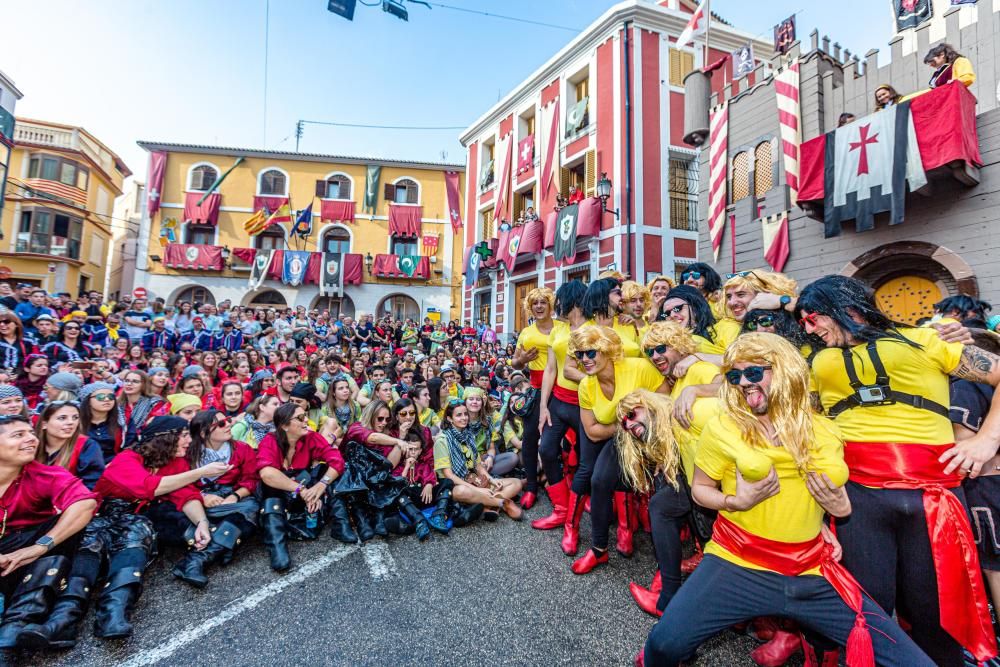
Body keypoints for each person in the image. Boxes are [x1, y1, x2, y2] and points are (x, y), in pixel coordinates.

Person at [640, 333, 934, 667]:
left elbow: (834, 500)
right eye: (735, 377)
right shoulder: (723, 427)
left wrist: (836, 511)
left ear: (784, 370)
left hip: (810, 570)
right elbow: (700, 490)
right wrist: (735, 501)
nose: (744, 383)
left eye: (754, 372)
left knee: (908, 659)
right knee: (663, 645)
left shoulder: (823, 430)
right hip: (737, 562)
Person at [797, 274, 1000, 665]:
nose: (810, 329)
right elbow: (766, 384)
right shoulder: (816, 361)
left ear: (846, 307)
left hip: (934, 498)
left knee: (935, 613)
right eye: (804, 323)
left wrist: (987, 439)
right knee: (866, 611)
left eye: (813, 318)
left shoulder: (927, 340)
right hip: (858, 498)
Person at [569, 325, 667, 573]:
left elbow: (666, 398)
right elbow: (592, 430)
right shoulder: (586, 386)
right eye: (580, 354)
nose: (585, 360)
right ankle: (599, 549)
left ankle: (666, 569)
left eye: (591, 352)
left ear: (606, 349)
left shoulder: (638, 368)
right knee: (599, 481)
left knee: (665, 494)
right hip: (621, 436)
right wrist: (626, 424)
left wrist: (645, 426)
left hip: (655, 435)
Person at [0, 414, 97, 650]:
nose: (31, 439)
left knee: (88, 533)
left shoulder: (43, 473)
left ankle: (16, 626)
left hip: (24, 552)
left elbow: (84, 504)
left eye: (31, 433)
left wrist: (39, 546)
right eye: (18, 435)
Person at [175, 410, 259, 588]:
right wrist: (203, 496)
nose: (229, 424)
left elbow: (251, 479)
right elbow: (180, 483)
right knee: (245, 513)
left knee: (250, 508)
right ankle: (223, 547)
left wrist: (234, 496)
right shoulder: (189, 454)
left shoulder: (242, 449)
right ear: (204, 433)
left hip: (230, 499)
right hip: (198, 501)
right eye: (221, 424)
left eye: (228, 420)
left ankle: (196, 560)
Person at [256, 403, 344, 571]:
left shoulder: (311, 437)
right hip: (277, 491)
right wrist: (302, 490)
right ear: (284, 425)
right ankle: (277, 547)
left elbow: (337, 460)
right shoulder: (270, 441)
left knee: (329, 473)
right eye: (301, 418)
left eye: (306, 416)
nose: (307, 421)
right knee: (271, 488)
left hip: (300, 488)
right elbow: (267, 474)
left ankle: (342, 523)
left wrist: (320, 485)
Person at [535, 280, 587, 533]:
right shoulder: (557, 330)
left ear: (573, 301)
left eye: (560, 302)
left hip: (584, 404)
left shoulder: (593, 328)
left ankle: (577, 512)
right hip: (558, 400)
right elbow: (550, 369)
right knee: (546, 450)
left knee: (587, 461)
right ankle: (561, 509)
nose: (557, 308)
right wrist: (544, 406)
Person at [433, 400, 523, 521]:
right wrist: (478, 490)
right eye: (459, 415)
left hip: (475, 479)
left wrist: (492, 480)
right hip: (456, 485)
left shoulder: (468, 434)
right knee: (461, 492)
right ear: (449, 419)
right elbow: (449, 476)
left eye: (465, 414)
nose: (464, 418)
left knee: (516, 483)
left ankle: (486, 505)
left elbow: (478, 465)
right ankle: (502, 503)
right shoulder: (442, 441)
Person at [35, 401, 105, 490]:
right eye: (62, 418)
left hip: (73, 500)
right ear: (44, 424)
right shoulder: (33, 445)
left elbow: (91, 486)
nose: (71, 422)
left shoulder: (87, 446)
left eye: (75, 418)